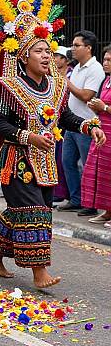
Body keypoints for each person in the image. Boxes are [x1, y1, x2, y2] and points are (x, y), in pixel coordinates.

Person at [0, 0, 105, 288]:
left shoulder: (57, 86)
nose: (47, 56)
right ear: (23, 56)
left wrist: (88, 124)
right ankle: (39, 272)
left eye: (49, 51)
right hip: (17, 160)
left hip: (45, 160)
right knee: (34, 212)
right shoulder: (7, 86)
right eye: (40, 51)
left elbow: (63, 118)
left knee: (32, 209)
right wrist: (28, 136)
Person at [58, 31, 105, 216]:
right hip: (72, 123)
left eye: (77, 45)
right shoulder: (77, 67)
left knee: (86, 165)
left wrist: (65, 82)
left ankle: (90, 204)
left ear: (88, 48)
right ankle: (76, 199)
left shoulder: (96, 69)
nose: (73, 49)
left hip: (87, 124)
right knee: (67, 162)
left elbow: (86, 95)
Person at [82, 45, 111, 227]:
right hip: (103, 132)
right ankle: (107, 211)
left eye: (109, 60)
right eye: (105, 59)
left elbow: (106, 106)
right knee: (101, 174)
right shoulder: (106, 81)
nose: (105, 63)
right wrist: (97, 107)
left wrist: (105, 108)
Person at [52, 45, 71, 203]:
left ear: (65, 60)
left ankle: (63, 193)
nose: (54, 58)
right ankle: (56, 191)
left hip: (67, 119)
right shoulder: (52, 74)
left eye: (57, 56)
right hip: (53, 120)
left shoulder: (70, 74)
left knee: (63, 158)